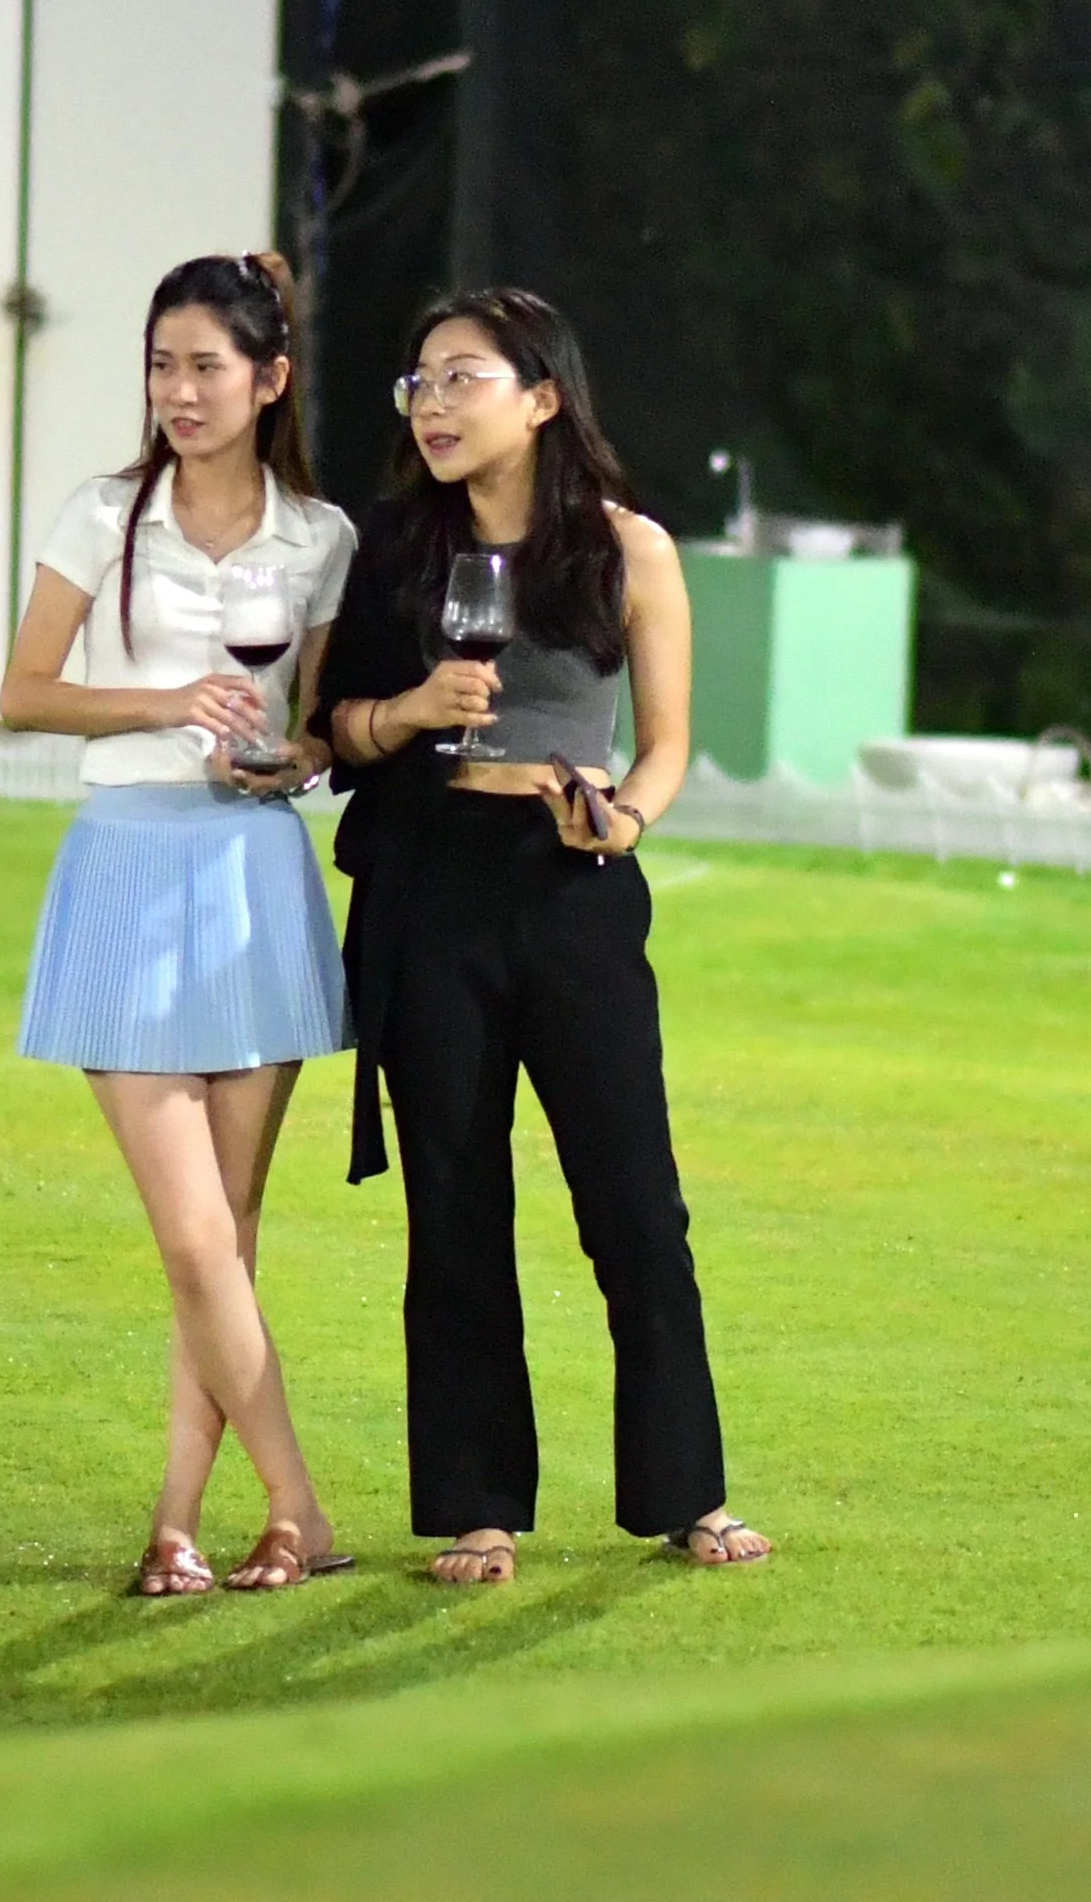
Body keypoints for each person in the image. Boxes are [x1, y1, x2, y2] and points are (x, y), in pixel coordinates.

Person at [311, 288, 772, 1584]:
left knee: (634, 1200)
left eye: (463, 378)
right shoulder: (394, 548)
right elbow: (336, 728)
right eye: (420, 382)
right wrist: (412, 710)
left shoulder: (630, 549)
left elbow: (666, 744)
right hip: (431, 887)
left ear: (544, 398)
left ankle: (687, 1493)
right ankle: (479, 1507)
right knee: (455, 1204)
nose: (434, 405)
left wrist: (625, 820)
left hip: (574, 887)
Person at [1, 252, 358, 1597]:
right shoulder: (104, 515)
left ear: (270, 380)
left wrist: (297, 758)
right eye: (163, 365)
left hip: (254, 877)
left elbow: (318, 730)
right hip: (126, 874)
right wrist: (165, 705)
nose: (180, 391)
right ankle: (301, 1508)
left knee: (231, 1238)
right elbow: (24, 692)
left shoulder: (320, 539)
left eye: (207, 366)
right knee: (195, 1239)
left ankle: (179, 1525)